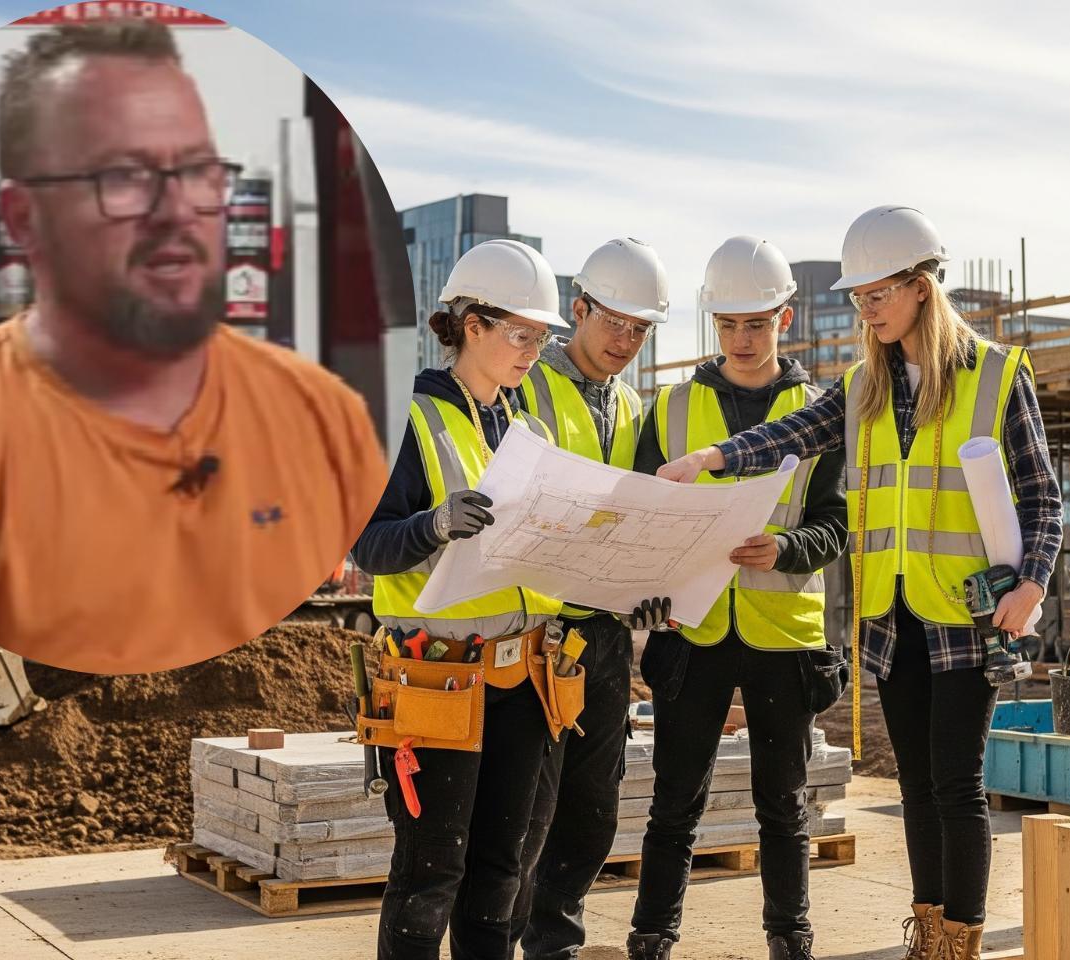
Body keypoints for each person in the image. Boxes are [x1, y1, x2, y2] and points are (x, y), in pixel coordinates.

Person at [0, 19, 385, 673]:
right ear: (21, 218)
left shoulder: (324, 416)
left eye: (199, 172)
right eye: (124, 178)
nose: (176, 212)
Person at [659, 206, 1063, 960]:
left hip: (968, 613)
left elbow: (1043, 495)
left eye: (876, 294)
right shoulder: (863, 384)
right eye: (859, 298)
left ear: (919, 286)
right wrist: (711, 458)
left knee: (957, 786)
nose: (866, 309)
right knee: (915, 787)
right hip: (889, 615)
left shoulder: (997, 374)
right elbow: (791, 435)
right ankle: (928, 929)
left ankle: (959, 944)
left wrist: (1031, 585)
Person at [352, 238, 575, 960]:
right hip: (436, 680)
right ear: (469, 324)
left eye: (541, 337)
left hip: (522, 679)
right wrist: (435, 524)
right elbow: (371, 546)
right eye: (519, 333)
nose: (532, 352)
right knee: (429, 877)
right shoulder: (407, 422)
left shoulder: (528, 431)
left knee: (502, 878)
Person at [627, 236, 847, 960]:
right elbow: (641, 515)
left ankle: (790, 936)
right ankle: (652, 935)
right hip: (690, 633)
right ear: (712, 323)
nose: (743, 339)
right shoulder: (672, 409)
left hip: (782, 633)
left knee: (782, 805)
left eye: (757, 323)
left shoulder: (819, 414)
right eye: (728, 324)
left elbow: (836, 524)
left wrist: (785, 548)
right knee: (674, 802)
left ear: (785, 319)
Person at [512, 237, 669, 960]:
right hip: (539, 634)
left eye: (641, 330)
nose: (627, 342)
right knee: (524, 817)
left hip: (604, 638)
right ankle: (500, 942)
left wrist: (646, 588)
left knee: (591, 812)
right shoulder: (527, 386)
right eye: (615, 323)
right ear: (578, 309)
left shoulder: (635, 404)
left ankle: (556, 946)